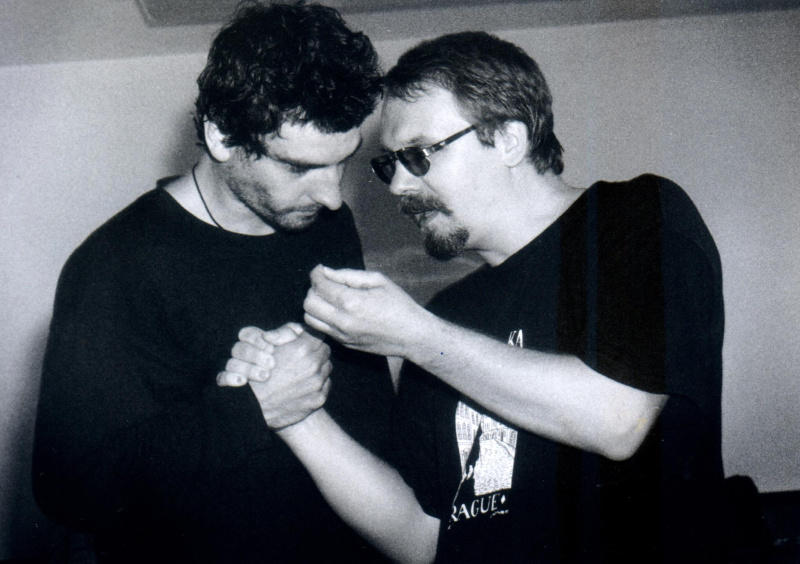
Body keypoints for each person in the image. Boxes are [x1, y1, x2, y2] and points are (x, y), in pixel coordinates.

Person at [223, 31, 726, 562]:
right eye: (389, 164)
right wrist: (297, 416)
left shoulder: (635, 215)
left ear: (509, 139)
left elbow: (619, 419)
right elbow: (421, 537)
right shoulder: (447, 314)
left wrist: (416, 337)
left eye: (418, 155)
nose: (397, 187)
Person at [32, 3, 394, 562]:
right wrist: (253, 408)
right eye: (299, 167)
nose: (331, 196)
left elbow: (369, 411)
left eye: (341, 161)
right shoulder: (116, 264)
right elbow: (70, 488)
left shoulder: (325, 223)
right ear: (223, 135)